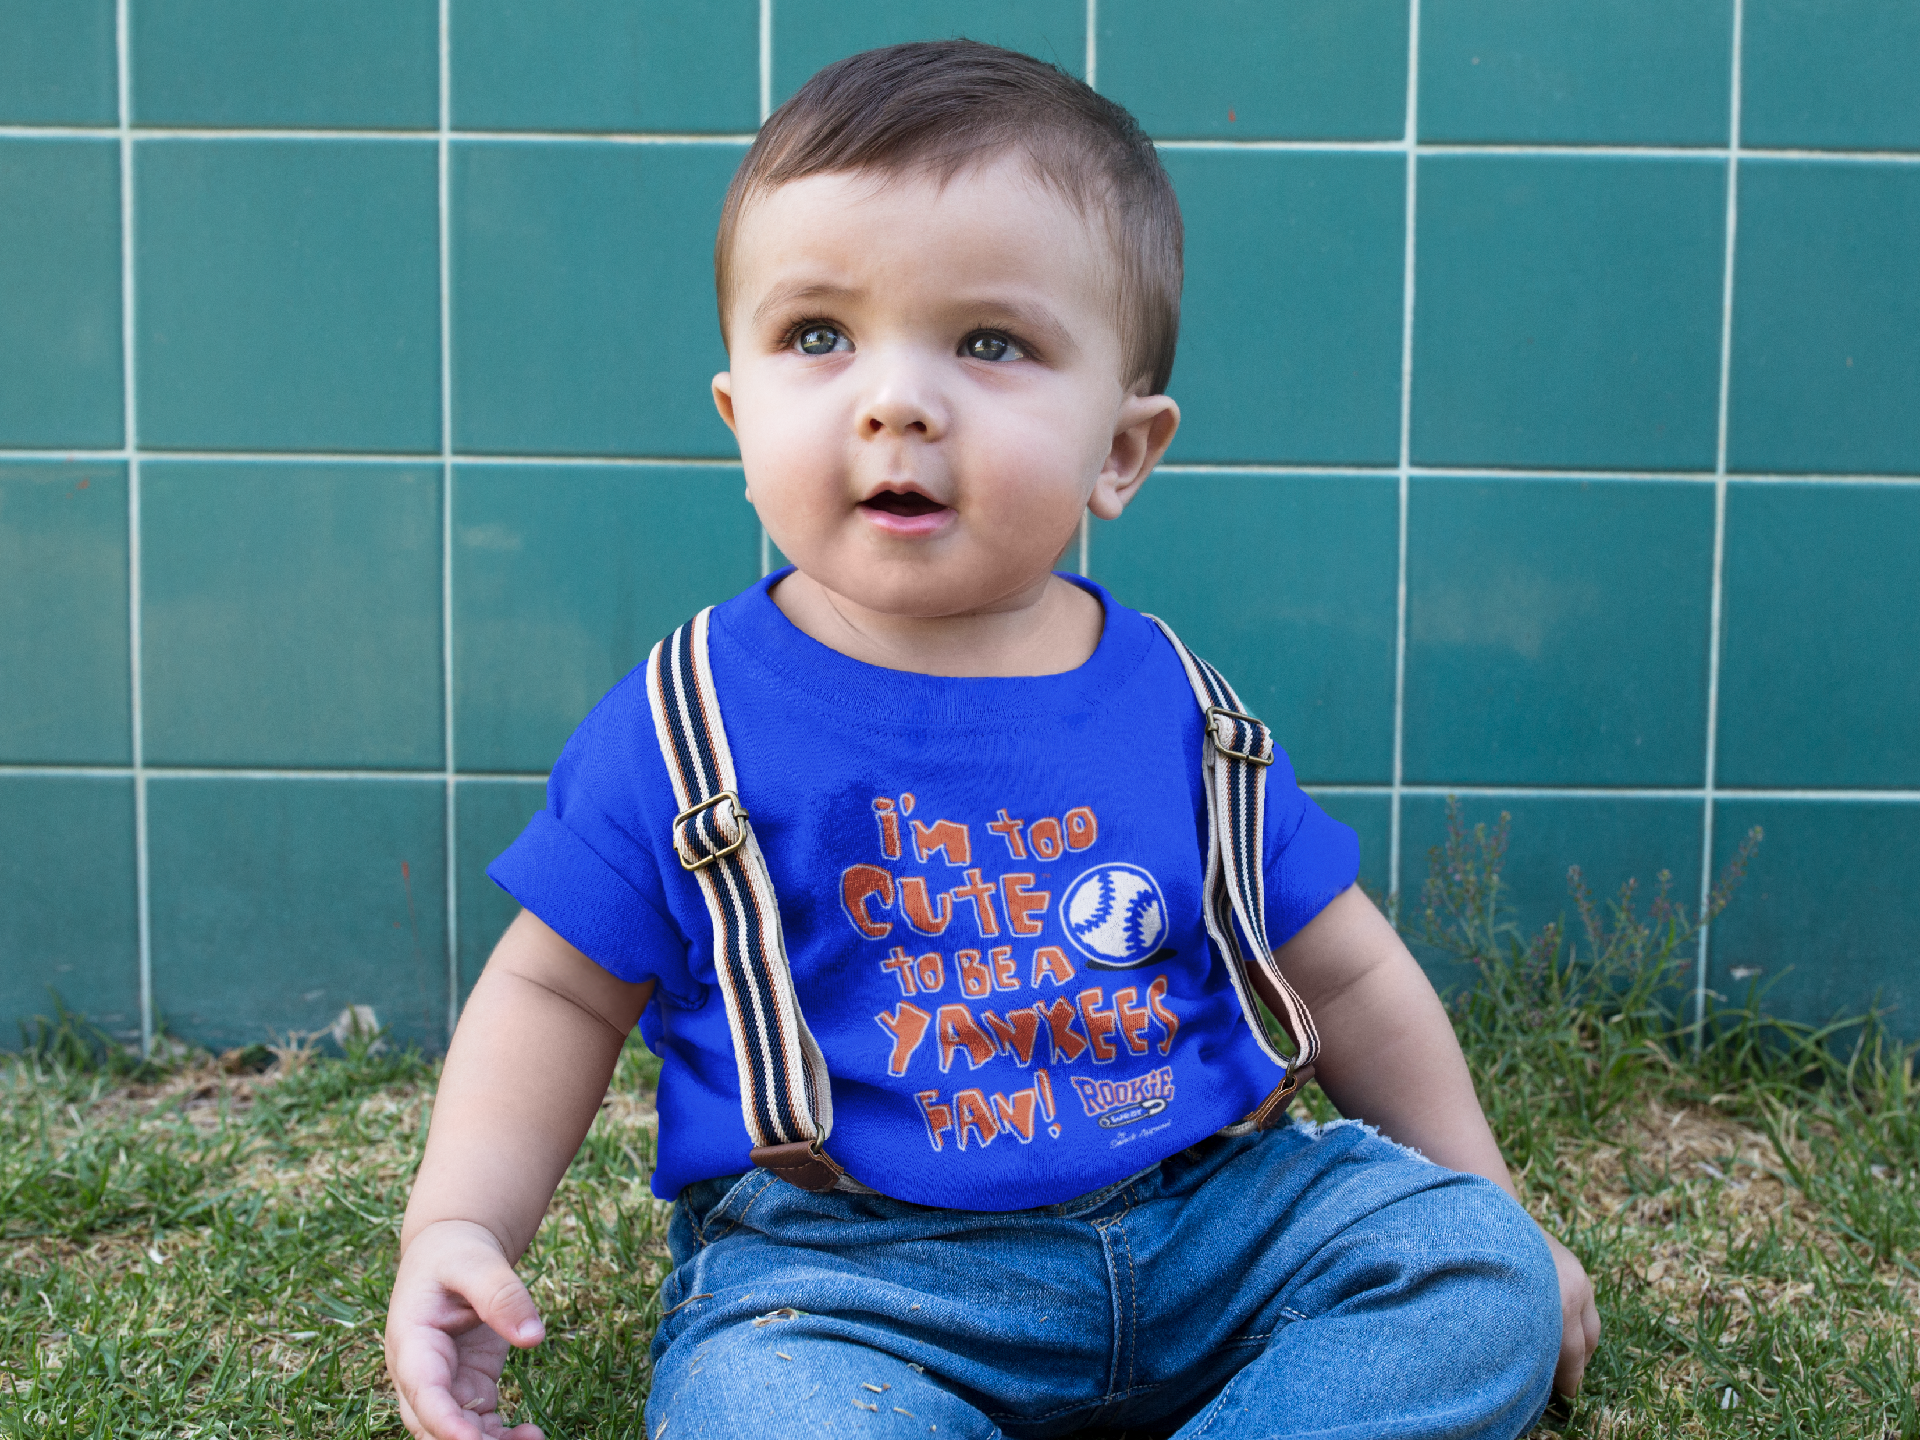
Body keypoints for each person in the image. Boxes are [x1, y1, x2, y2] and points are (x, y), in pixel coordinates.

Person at [384, 40, 1600, 1440]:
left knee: (1476, 1274)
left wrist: (1492, 1200)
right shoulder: (685, 722)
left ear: (1122, 452)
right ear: (738, 414)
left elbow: (1352, 970)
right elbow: (552, 994)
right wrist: (458, 1225)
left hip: (1210, 1224)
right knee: (765, 1410)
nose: (895, 400)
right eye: (818, 337)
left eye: (990, 342)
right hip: (852, 1279)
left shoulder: (1175, 705)